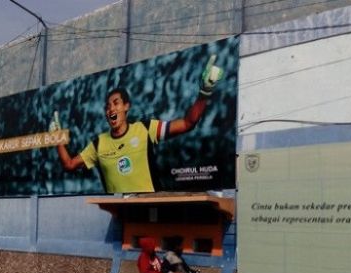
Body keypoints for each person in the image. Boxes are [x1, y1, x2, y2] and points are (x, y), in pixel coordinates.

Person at [55, 55, 224, 193]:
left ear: (126, 106)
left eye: (116, 103)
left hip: (150, 210)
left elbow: (188, 123)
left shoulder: (145, 129)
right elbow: (69, 165)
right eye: (107, 106)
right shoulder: (99, 143)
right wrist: (57, 139)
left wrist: (204, 93)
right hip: (120, 216)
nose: (111, 109)